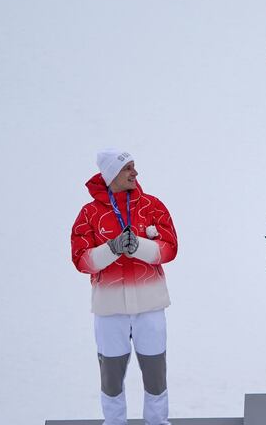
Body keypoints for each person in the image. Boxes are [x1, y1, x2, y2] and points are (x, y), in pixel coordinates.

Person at [71, 149, 178, 425]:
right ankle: (114, 422)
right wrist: (112, 248)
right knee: (111, 375)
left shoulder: (152, 205)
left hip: (150, 305)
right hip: (110, 309)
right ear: (111, 174)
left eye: (134, 166)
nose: (135, 173)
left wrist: (139, 246)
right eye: (128, 168)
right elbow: (81, 260)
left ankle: (157, 421)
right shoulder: (89, 214)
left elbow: (170, 248)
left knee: (155, 371)